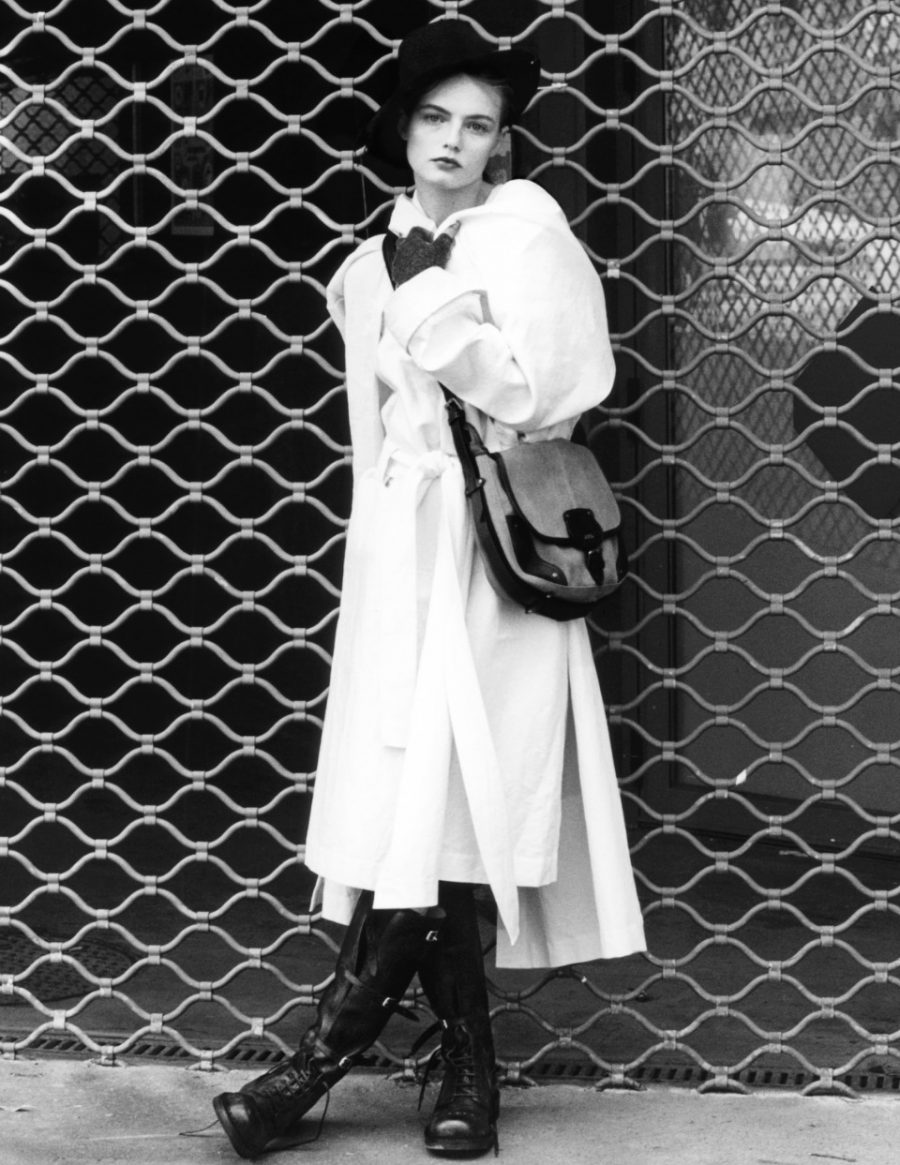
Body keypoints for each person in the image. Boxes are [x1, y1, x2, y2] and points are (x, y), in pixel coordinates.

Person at [211, 20, 646, 1159]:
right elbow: (374, 441)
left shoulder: (528, 232)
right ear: (402, 131)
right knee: (425, 815)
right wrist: (374, 567)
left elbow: (548, 396)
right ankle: (466, 1072)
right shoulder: (370, 263)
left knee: (456, 809)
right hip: (403, 557)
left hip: (496, 555)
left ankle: (314, 1067)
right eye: (436, 118)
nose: (455, 141)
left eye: (479, 124)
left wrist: (432, 304)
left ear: (503, 143)